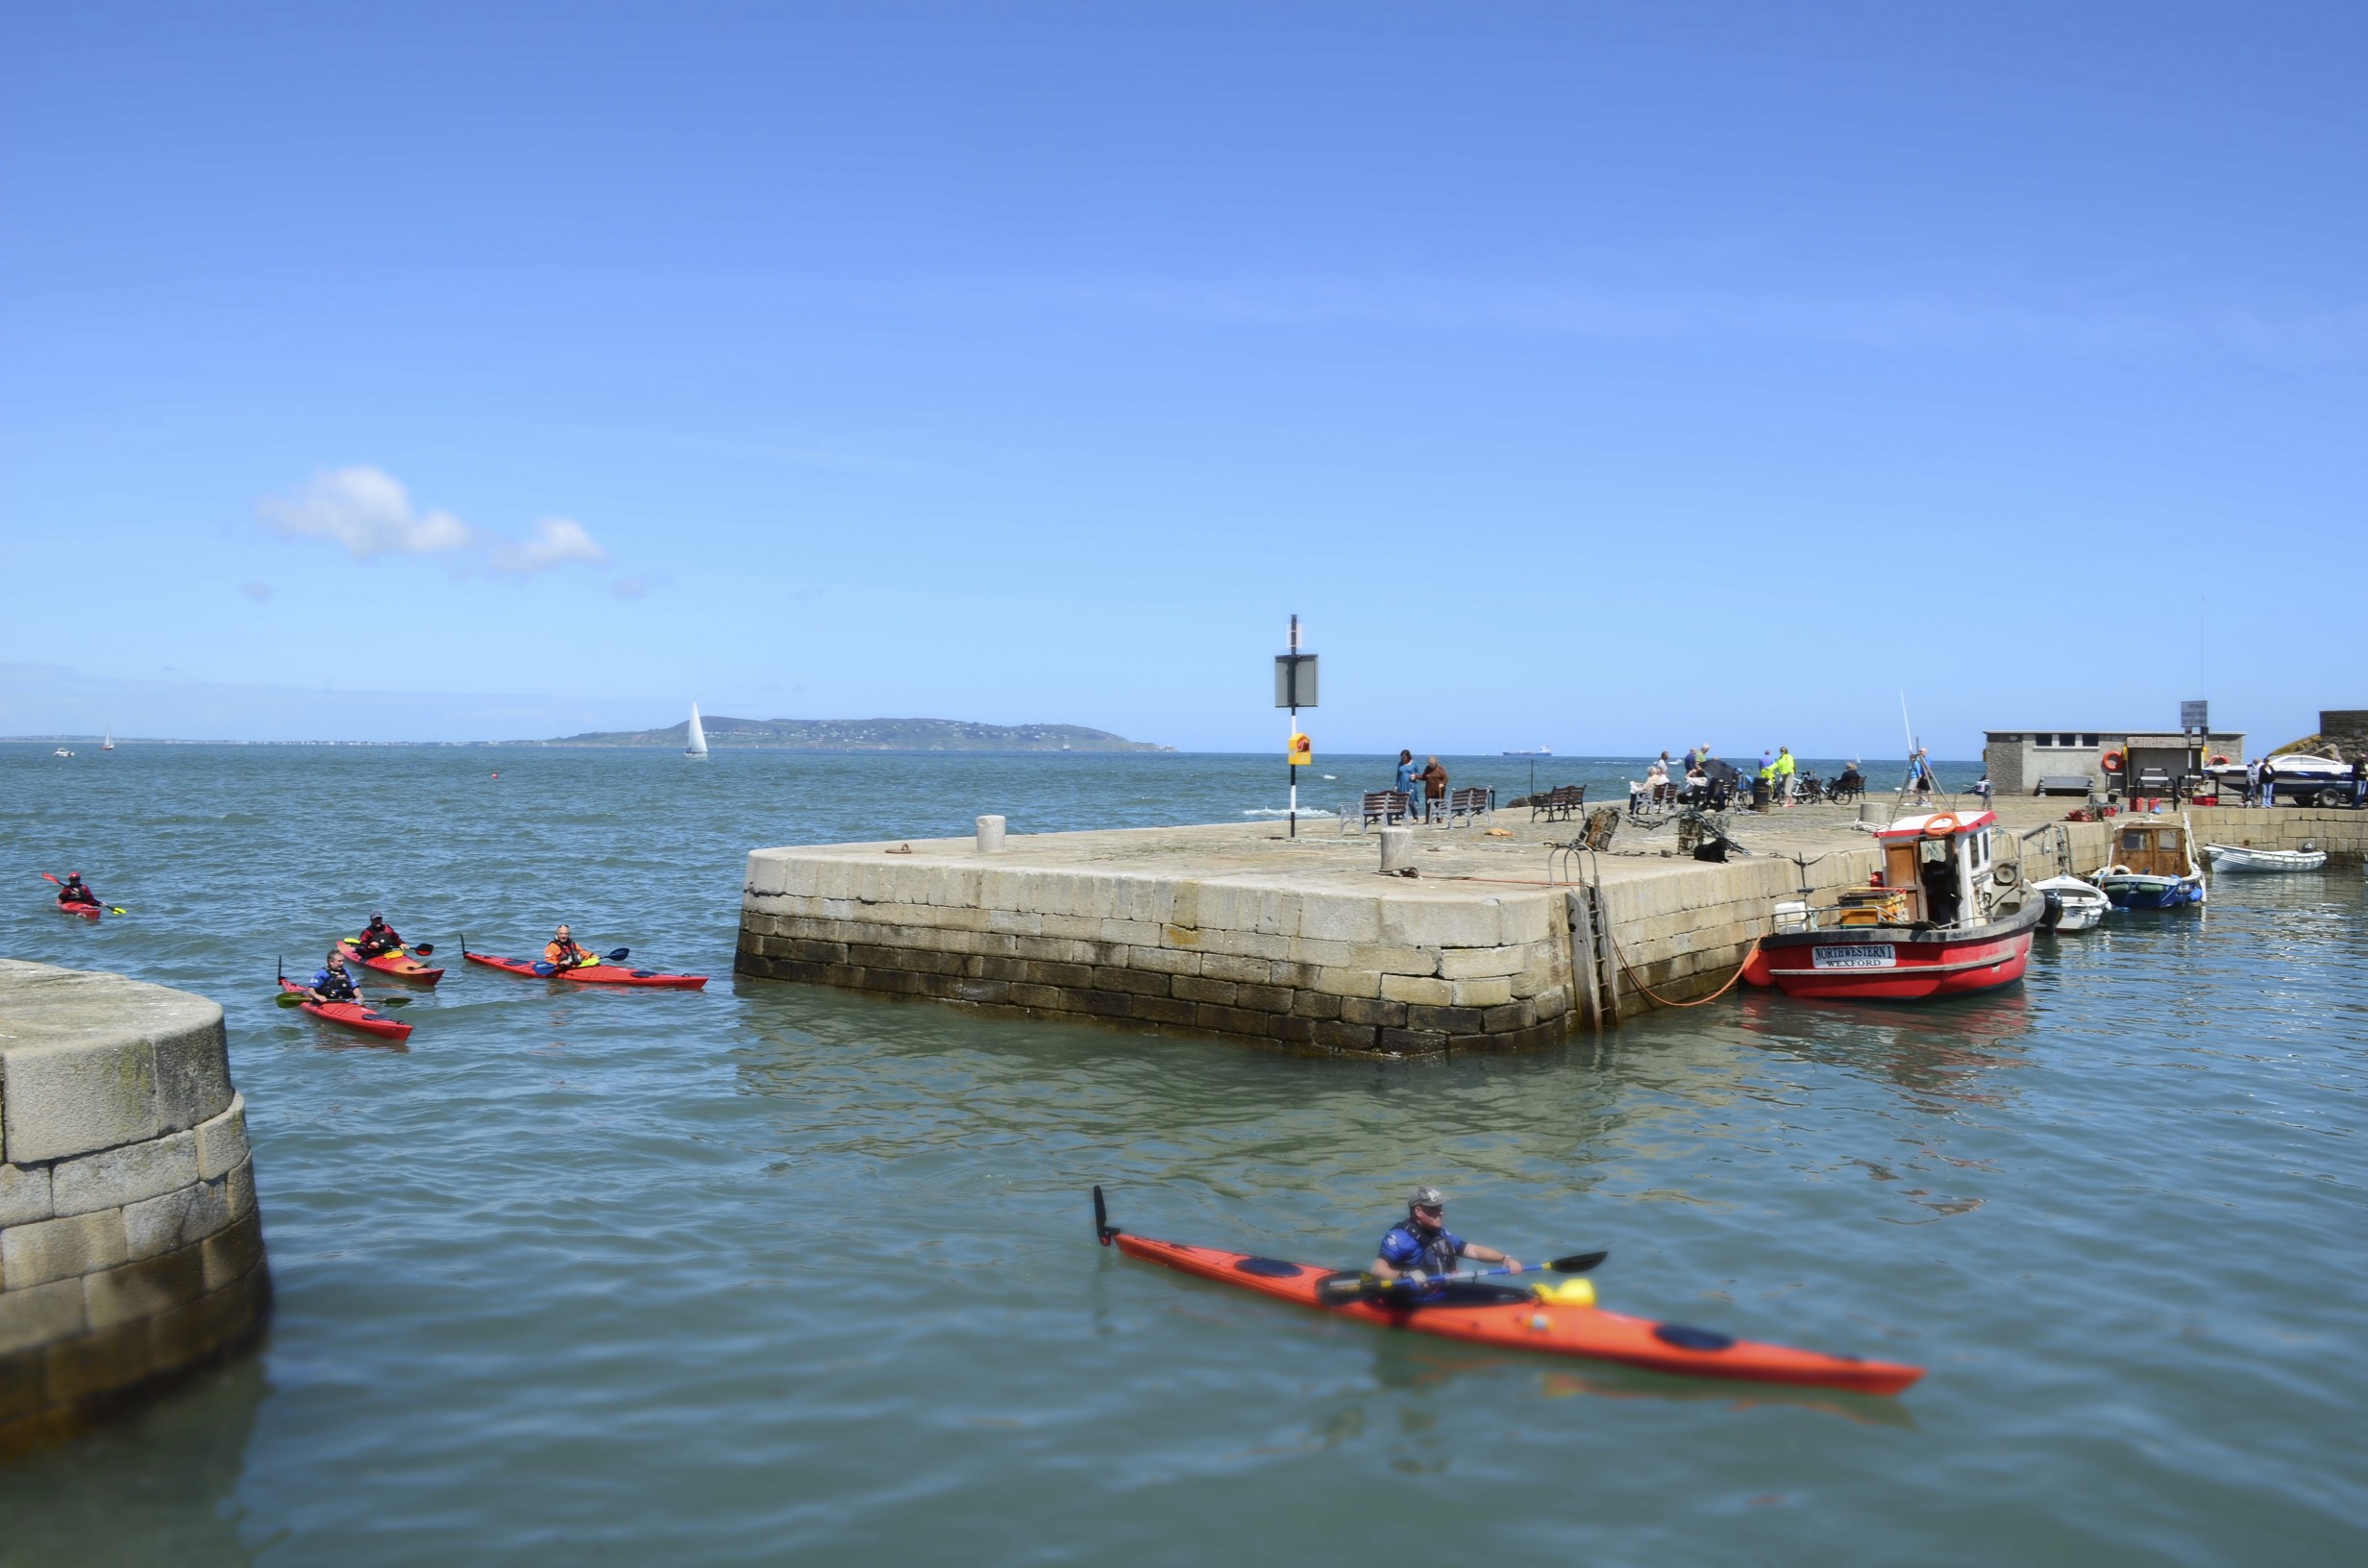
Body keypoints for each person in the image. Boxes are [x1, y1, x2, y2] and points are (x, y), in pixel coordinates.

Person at [1372, 1186, 1520, 1290]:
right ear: (1418, 1211)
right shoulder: (1399, 1237)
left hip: (1441, 1292)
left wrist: (1504, 1259)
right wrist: (1404, 1275)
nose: (1441, 1212)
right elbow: (1377, 1269)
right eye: (1434, 1207)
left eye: (1440, 1207)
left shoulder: (1441, 1234)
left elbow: (1474, 1251)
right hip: (1411, 1299)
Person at [1419, 756, 1449, 822]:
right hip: (1429, 790)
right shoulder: (1427, 768)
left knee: (1439, 805)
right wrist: (1416, 776)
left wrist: (1443, 783)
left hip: (1438, 791)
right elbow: (1424, 777)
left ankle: (1439, 819)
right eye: (1430, 764)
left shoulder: (1440, 769)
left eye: (1432, 764)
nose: (1431, 766)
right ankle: (1428, 820)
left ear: (1436, 763)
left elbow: (1446, 778)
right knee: (1428, 806)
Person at [1393, 749, 1421, 819]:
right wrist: (1396, 785)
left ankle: (1415, 817)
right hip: (1401, 784)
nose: (1403, 759)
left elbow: (1419, 773)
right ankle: (1403, 818)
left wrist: (1415, 776)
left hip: (1411, 785)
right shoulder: (1400, 764)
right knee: (1402, 802)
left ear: (1408, 757)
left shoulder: (1414, 763)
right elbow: (1398, 775)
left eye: (1404, 757)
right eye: (1402, 757)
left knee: (1411, 802)